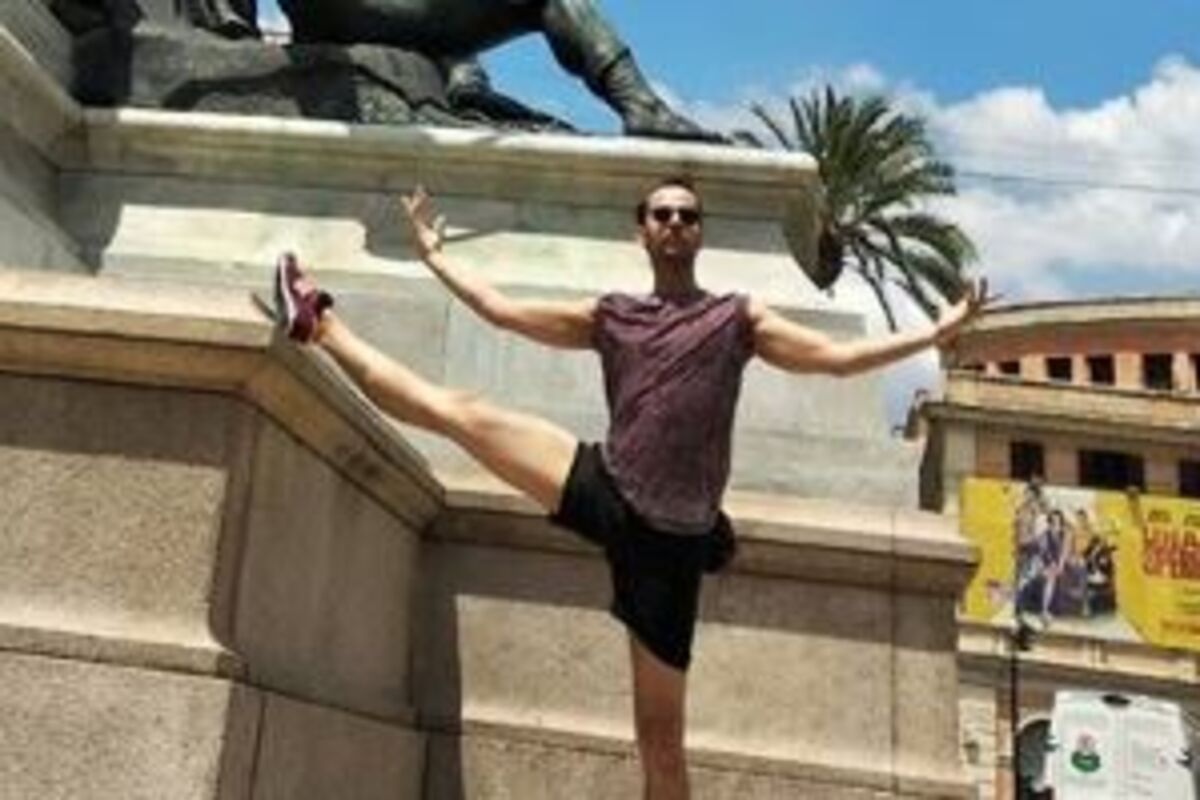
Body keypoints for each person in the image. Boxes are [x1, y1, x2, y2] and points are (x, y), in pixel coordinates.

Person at [268, 178, 988, 800]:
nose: (675, 224)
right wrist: (434, 256)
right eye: (662, 214)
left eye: (687, 216)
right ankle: (319, 324)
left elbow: (836, 359)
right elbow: (501, 311)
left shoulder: (737, 319)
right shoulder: (611, 315)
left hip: (670, 550)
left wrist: (934, 333)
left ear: (700, 233)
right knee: (462, 413)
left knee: (661, 746)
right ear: (640, 230)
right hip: (606, 486)